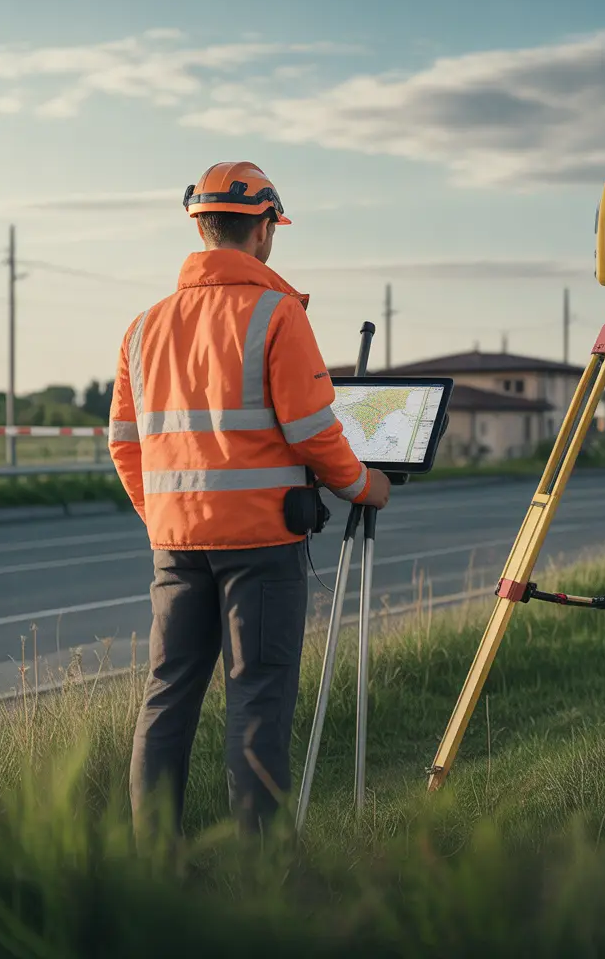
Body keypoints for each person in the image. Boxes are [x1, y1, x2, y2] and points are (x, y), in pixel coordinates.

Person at [108, 161, 391, 836]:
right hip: (262, 544)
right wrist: (362, 484)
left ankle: (154, 866)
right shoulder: (276, 313)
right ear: (264, 230)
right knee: (258, 700)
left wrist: (165, 518)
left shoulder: (143, 327)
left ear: (201, 227)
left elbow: (124, 443)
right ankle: (260, 876)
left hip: (177, 545)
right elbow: (312, 428)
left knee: (167, 697)